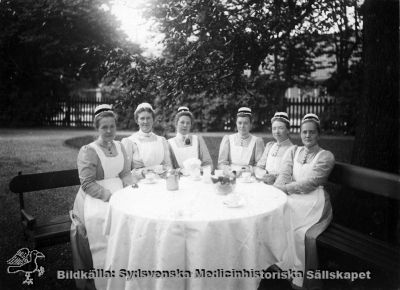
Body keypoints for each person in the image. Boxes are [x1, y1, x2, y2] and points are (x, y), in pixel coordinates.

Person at [70, 104, 135, 290]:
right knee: (105, 222)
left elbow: (125, 174)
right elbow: (87, 183)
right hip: (96, 197)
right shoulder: (88, 150)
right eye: (104, 127)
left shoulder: (121, 146)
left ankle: (127, 272)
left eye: (112, 126)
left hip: (120, 193)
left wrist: (132, 188)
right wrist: (111, 197)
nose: (108, 131)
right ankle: (106, 279)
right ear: (97, 128)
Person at [273, 113, 335, 289]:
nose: (307, 136)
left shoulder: (325, 156)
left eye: (312, 132)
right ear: (299, 133)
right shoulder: (293, 151)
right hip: (294, 196)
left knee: (300, 231)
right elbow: (284, 174)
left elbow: (311, 183)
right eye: (304, 132)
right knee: (282, 212)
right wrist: (277, 191)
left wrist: (285, 189)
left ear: (318, 134)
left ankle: (300, 277)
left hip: (313, 199)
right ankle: (284, 266)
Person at [121, 102, 172, 179]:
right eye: (142, 118)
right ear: (137, 120)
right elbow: (125, 173)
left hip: (161, 182)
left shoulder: (161, 140)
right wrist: (142, 173)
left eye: (148, 118)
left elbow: (168, 166)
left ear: (153, 119)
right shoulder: (130, 142)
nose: (145, 121)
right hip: (140, 183)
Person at [218, 107, 264, 174]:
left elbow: (260, 166)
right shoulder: (228, 139)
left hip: (249, 178)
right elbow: (221, 164)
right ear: (236, 123)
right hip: (231, 176)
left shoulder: (257, 141)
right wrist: (229, 171)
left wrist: (249, 170)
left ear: (251, 124)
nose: (242, 126)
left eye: (246, 123)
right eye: (240, 123)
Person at [168, 106, 213, 171]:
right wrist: (179, 171)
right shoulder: (169, 143)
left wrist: (200, 170)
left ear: (191, 125)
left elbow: (208, 164)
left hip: (197, 177)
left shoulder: (198, 140)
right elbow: (168, 168)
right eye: (182, 122)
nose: (185, 125)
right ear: (176, 124)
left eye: (188, 123)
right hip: (180, 179)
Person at [255, 112, 294, 184]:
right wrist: (264, 174)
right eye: (274, 128)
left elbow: (292, 174)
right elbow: (259, 167)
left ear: (288, 130)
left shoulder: (292, 149)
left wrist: (275, 178)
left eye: (281, 128)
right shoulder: (270, 146)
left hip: (281, 185)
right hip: (264, 182)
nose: (277, 132)